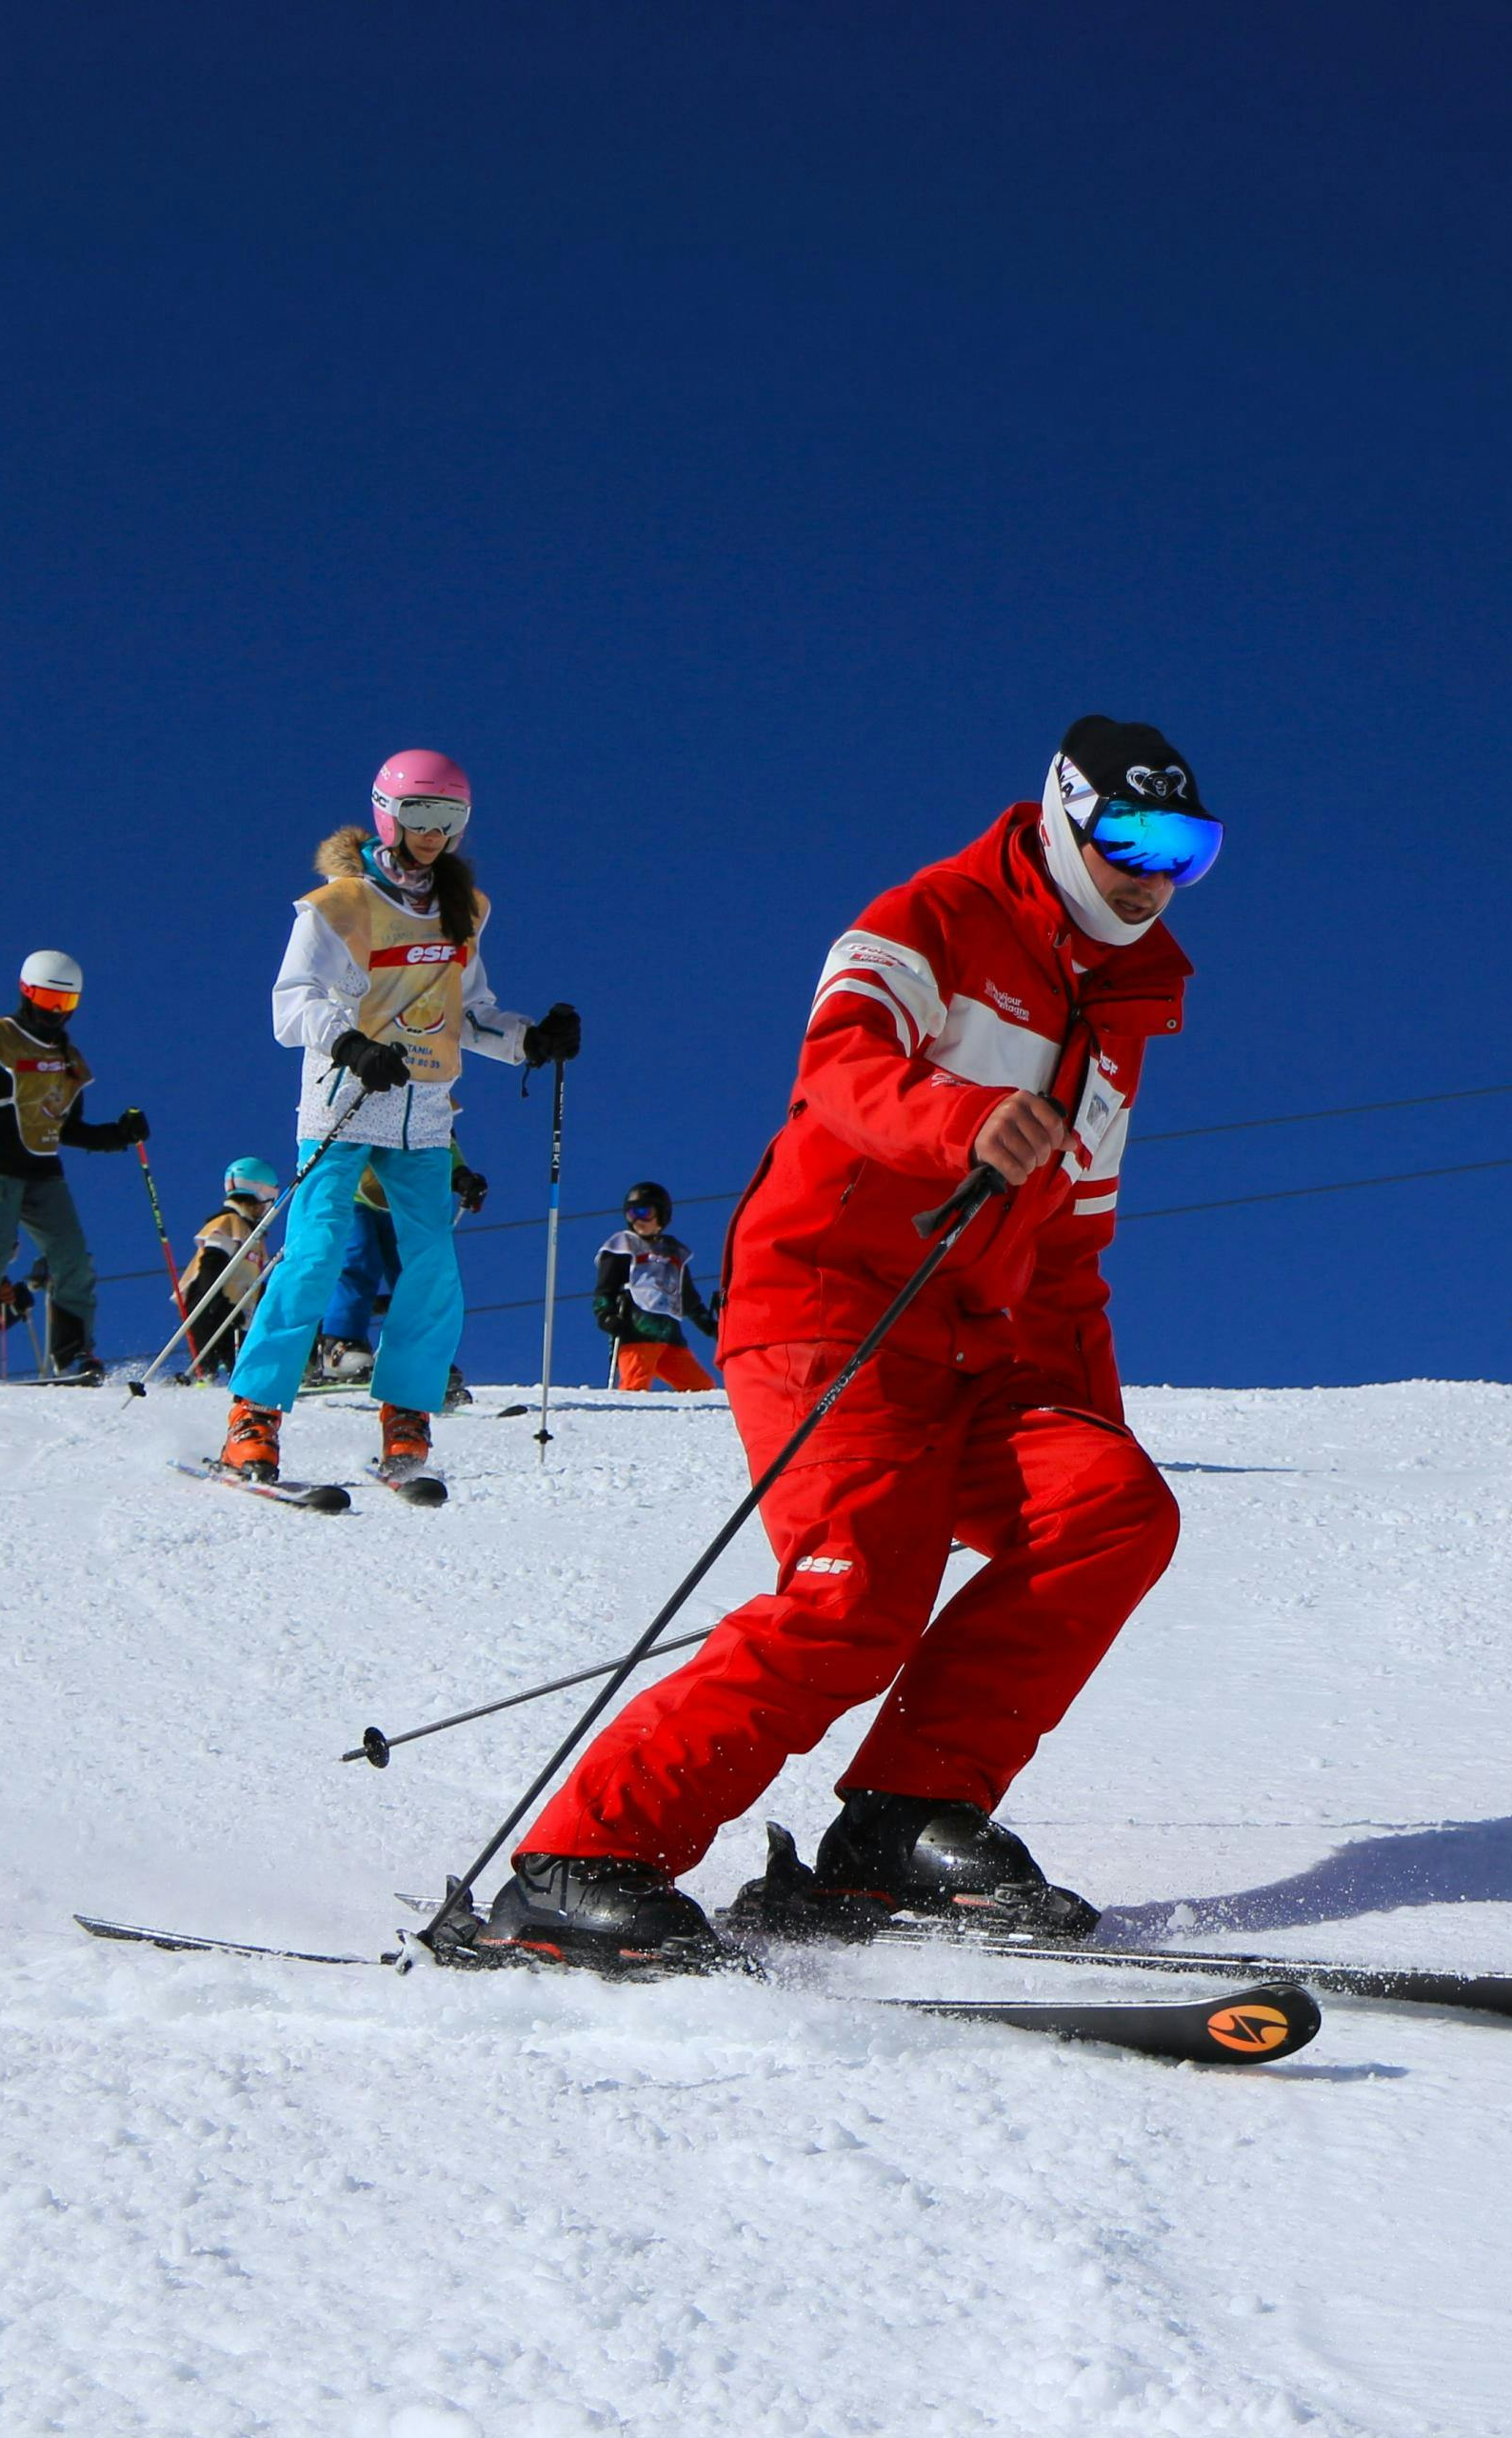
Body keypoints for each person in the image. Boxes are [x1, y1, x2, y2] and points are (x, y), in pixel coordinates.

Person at [490, 715, 1216, 1967]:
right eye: (1132, 841)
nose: (1155, 875)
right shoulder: (931, 915)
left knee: (1114, 1508)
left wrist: (1092, 1420)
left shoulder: (1127, 1016)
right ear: (1060, 815)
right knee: (856, 1604)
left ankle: (902, 1825)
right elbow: (838, 1068)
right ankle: (581, 1860)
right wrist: (963, 1122)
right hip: (830, 1304)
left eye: (1191, 852)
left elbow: (1072, 1254)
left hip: (976, 1342)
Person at [216, 751, 574, 1492]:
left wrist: (530, 1041)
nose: (434, 833)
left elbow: (468, 1013)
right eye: (420, 816)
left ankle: (406, 1415)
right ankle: (254, 1416)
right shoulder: (337, 904)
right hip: (346, 1102)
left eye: (450, 818)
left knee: (435, 1270)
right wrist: (349, 1043)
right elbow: (292, 1001)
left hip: (425, 1115)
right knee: (313, 1258)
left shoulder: (464, 908)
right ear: (387, 813)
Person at [0, 950, 149, 1382]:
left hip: (41, 1169)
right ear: (25, 991)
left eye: (65, 1004)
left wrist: (119, 1135)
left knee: (72, 1259)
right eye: (46, 999)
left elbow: (67, 1128)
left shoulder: (68, 1060)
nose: (54, 1013)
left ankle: (73, 1353)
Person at [310, 1143, 490, 1392]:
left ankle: (419, 1354)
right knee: (360, 1259)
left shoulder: (433, 1104)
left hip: (400, 1200)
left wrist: (460, 1176)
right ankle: (340, 1344)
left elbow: (441, 1138)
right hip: (356, 1192)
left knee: (412, 1273)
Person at [590, 1180, 717, 1392]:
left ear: (662, 1215)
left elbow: (688, 1299)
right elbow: (606, 1288)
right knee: (636, 1384)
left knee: (701, 1387)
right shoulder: (622, 1245)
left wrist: (711, 1327)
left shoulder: (674, 1251)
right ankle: (627, 1421)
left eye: (644, 1212)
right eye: (632, 1214)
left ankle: (691, 1423)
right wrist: (606, 1315)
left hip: (670, 1336)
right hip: (637, 1329)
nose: (638, 1219)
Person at [179, 1158, 280, 1382]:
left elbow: (255, 1281)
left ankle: (252, 1379)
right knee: (218, 1357)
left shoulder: (253, 1235)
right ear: (260, 1192)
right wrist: (217, 1303)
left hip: (236, 1314)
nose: (266, 1209)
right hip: (211, 1306)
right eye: (269, 1201)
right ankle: (204, 1376)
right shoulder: (228, 1222)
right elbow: (211, 1264)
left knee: (243, 1361)